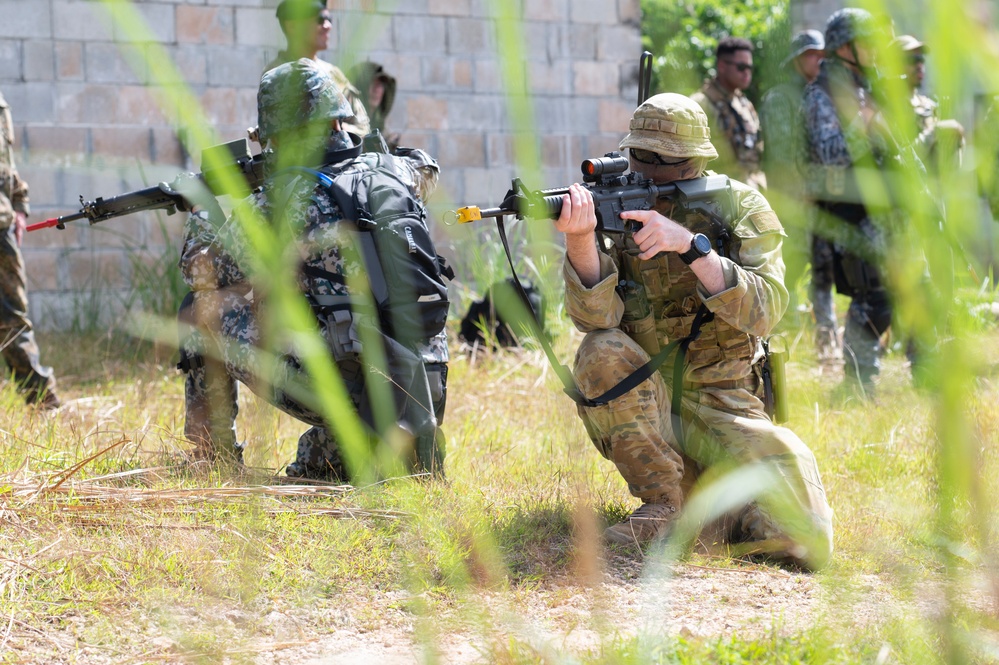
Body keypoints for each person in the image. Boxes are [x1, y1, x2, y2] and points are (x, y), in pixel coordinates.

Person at [554, 93, 833, 570]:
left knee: (804, 541)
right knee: (600, 351)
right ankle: (663, 504)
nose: (651, 172)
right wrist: (581, 241)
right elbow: (594, 321)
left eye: (667, 163)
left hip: (725, 401)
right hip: (649, 402)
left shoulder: (739, 206)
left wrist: (692, 248)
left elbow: (766, 311)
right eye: (641, 158)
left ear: (697, 161)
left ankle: (716, 511)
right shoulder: (619, 209)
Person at [176, 59, 447, 480]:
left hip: (349, 388)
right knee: (322, 468)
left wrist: (199, 211)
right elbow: (426, 165)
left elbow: (202, 272)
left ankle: (213, 458)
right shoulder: (396, 172)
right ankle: (349, 451)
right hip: (424, 385)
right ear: (339, 121)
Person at [800, 8, 899, 397]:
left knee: (884, 294)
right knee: (868, 292)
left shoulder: (862, 89)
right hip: (845, 211)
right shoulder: (821, 93)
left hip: (875, 210)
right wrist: (866, 123)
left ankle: (865, 379)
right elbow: (832, 155)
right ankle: (857, 384)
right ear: (845, 47)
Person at [760, 30, 840, 362]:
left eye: (823, 54)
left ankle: (824, 333)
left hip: (817, 197)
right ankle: (780, 328)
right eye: (812, 54)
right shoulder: (781, 98)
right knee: (789, 263)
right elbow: (781, 154)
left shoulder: (819, 95)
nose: (819, 60)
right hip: (792, 198)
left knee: (821, 265)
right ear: (797, 59)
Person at [0, 88, 60, 410]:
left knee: (12, 317)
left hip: (1, 227)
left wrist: (19, 203)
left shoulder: (1, 103)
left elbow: (5, 163)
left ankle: (42, 400)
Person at [266, 0, 370, 137]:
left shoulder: (333, 73)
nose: (328, 26)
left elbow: (363, 127)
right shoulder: (274, 75)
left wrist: (336, 127)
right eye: (320, 20)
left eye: (329, 19)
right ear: (292, 26)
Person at [691, 37, 767, 191]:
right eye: (741, 67)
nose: (747, 73)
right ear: (722, 66)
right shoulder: (700, 104)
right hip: (719, 196)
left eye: (749, 68)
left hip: (752, 190)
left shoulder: (744, 103)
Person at [348, 61, 400, 150]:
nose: (377, 90)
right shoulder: (345, 121)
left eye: (380, 84)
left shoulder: (380, 124)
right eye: (372, 83)